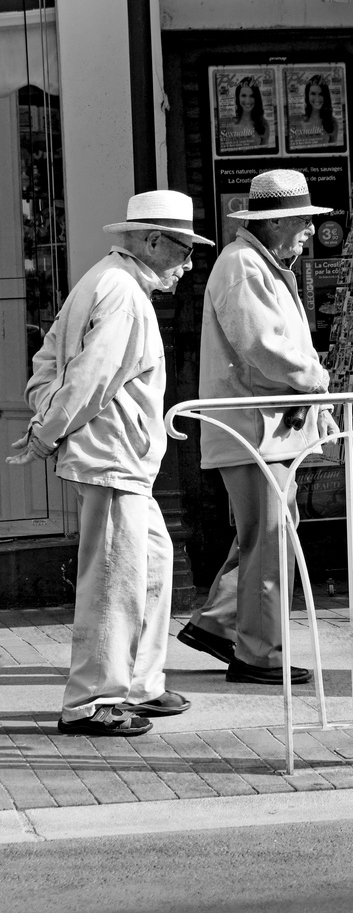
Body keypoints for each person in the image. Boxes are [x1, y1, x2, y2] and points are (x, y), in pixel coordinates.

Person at [6, 190, 215, 737]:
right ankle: (90, 700)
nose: (188, 263)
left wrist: (44, 414)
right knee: (114, 582)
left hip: (119, 459)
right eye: (182, 248)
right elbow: (89, 380)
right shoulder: (121, 292)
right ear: (151, 241)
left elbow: (50, 361)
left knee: (148, 565)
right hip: (114, 458)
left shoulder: (104, 280)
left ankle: (138, 683)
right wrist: (44, 433)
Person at [177, 169, 340, 685]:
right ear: (273, 222)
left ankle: (221, 624)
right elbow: (267, 350)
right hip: (255, 430)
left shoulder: (254, 263)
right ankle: (258, 654)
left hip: (261, 427)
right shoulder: (245, 266)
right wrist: (317, 379)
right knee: (270, 540)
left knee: (267, 535)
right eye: (302, 220)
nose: (310, 231)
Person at [232, 76, 271, 148]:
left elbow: (265, 153)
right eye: (244, 95)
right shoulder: (230, 122)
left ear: (256, 98)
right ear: (238, 97)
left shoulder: (264, 125)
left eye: (252, 96)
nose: (248, 100)